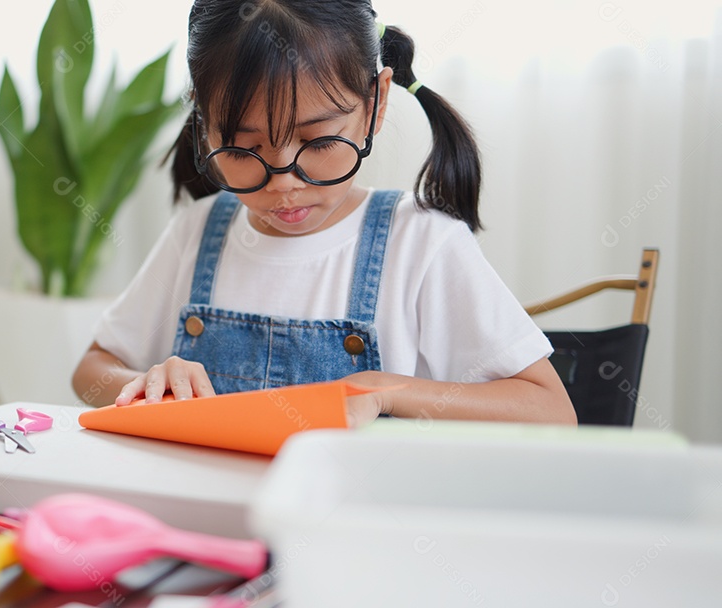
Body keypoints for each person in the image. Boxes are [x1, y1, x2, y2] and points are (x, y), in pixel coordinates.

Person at [72, 0, 576, 425]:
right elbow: (91, 369)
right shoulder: (197, 232)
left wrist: (383, 390)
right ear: (204, 125)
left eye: (317, 141)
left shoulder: (420, 242)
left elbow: (550, 410)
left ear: (376, 102)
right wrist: (142, 384)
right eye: (245, 148)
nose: (285, 181)